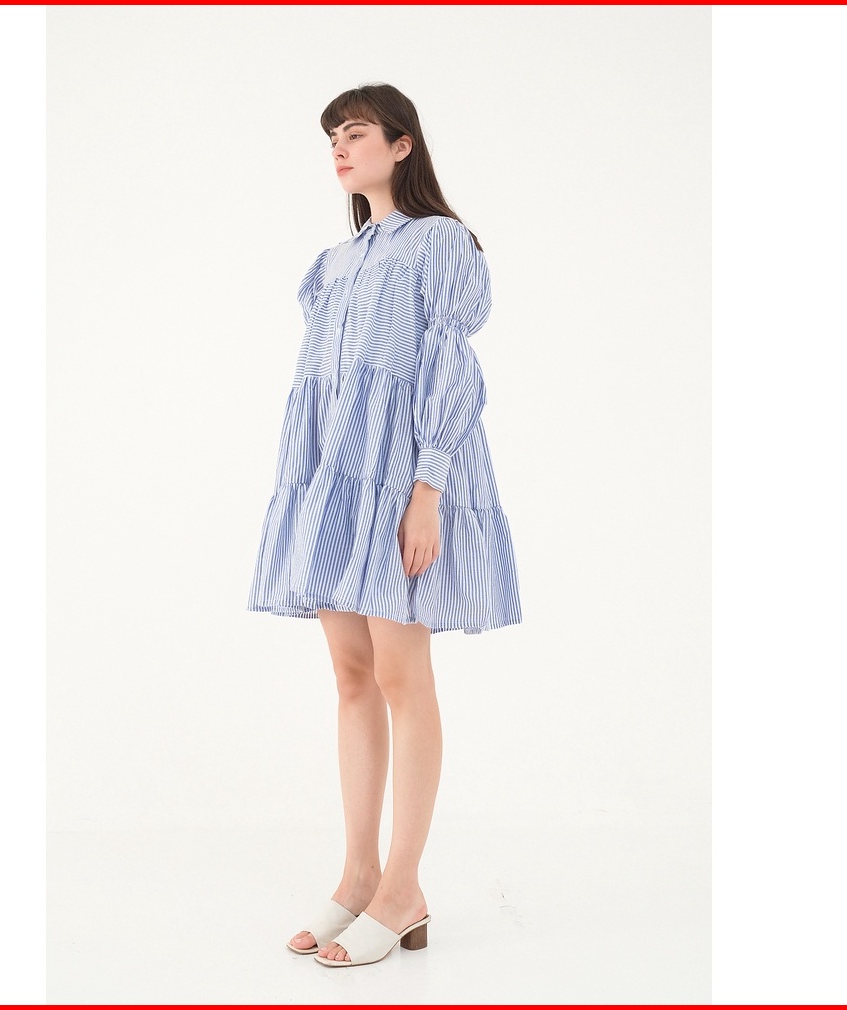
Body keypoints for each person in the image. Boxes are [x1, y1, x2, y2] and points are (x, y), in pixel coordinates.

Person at [246, 83, 523, 967]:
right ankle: (360, 874)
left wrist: (427, 487)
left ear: (402, 144)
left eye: (356, 132)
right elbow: (322, 393)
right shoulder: (332, 264)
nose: (338, 146)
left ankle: (404, 887)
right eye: (332, 135)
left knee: (403, 672)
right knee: (352, 674)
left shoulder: (438, 242)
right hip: (335, 481)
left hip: (402, 477)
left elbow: (451, 366)